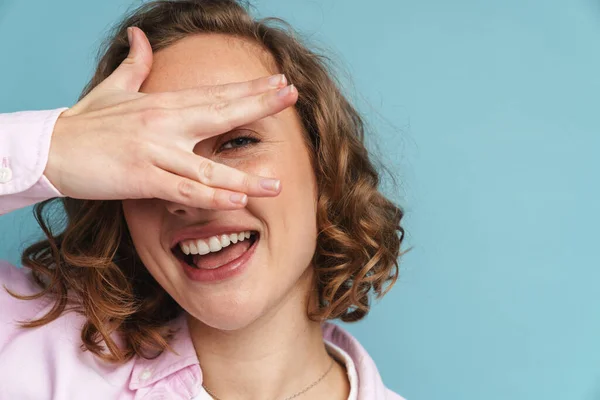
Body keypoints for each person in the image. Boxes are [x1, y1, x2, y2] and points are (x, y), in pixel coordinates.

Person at [0, 1, 407, 399]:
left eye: (238, 141)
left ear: (324, 168)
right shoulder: (26, 347)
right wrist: (57, 149)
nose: (194, 191)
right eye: (151, 158)